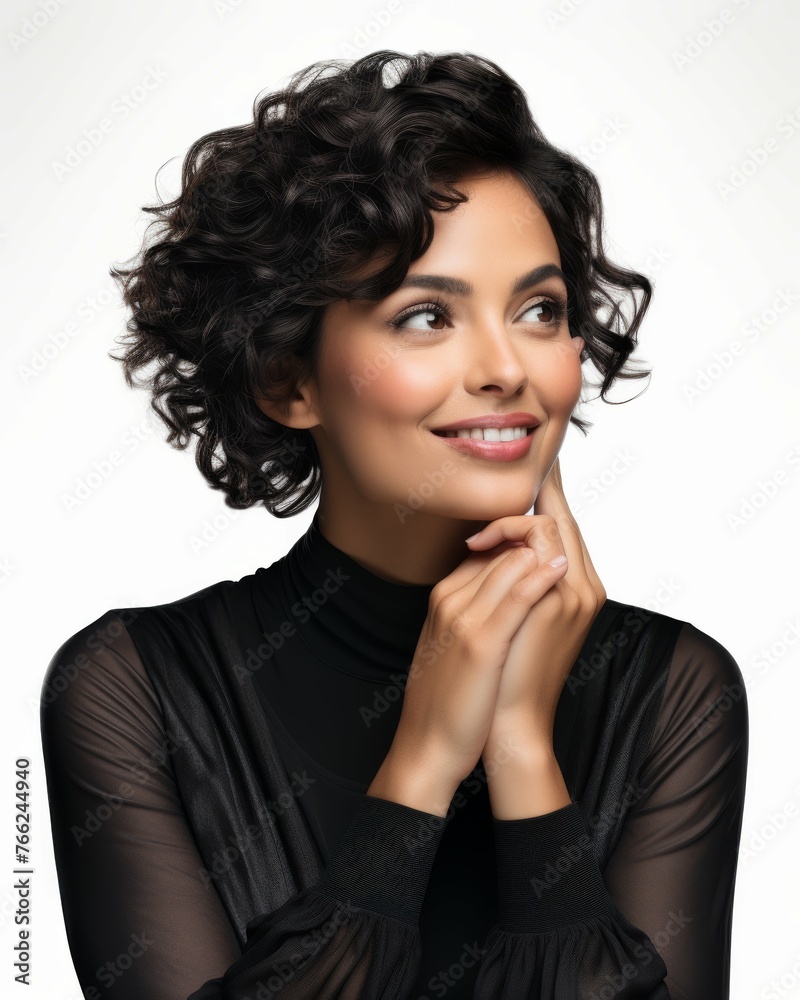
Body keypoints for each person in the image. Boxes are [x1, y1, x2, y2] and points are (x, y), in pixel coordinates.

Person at [39, 49, 748, 999]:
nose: (509, 368)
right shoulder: (131, 691)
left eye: (540, 309)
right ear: (288, 377)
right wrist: (420, 763)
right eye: (426, 317)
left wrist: (524, 753)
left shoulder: (674, 691)